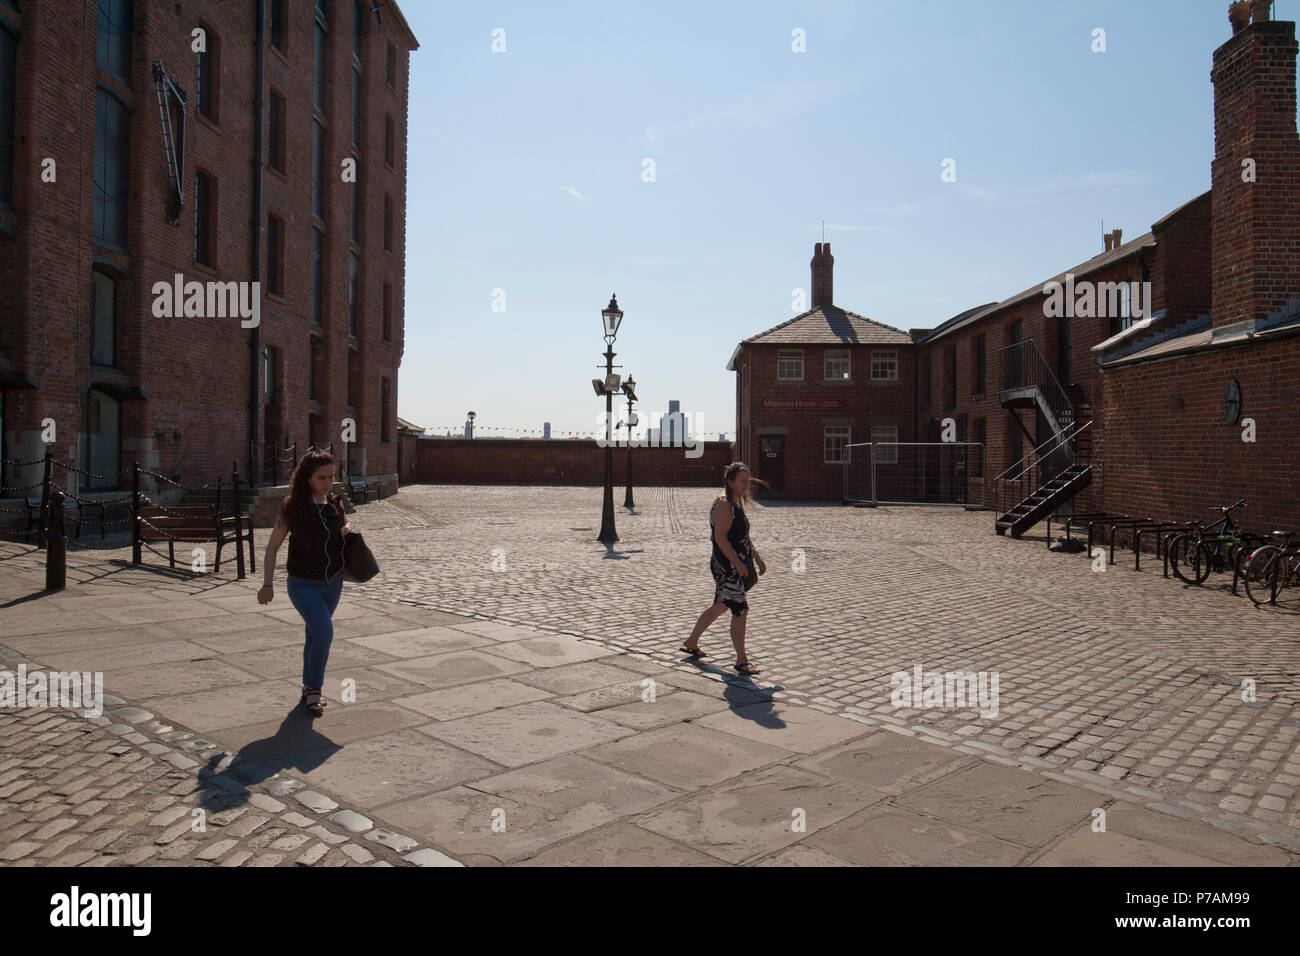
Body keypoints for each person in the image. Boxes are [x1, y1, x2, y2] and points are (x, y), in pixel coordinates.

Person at [257, 450, 351, 716]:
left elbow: (345, 526)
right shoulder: (293, 507)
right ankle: (315, 689)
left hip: (332, 583)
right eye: (321, 477)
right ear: (307, 478)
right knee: (323, 633)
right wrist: (267, 585)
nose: (327, 482)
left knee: (315, 635)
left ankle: (309, 687)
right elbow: (272, 547)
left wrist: (346, 529)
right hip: (302, 583)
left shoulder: (334, 503)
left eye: (331, 476)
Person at [682, 461, 767, 675]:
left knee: (720, 606)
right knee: (740, 610)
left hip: (734, 564)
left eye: (748, 481)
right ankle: (741, 660)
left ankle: (691, 641)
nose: (746, 484)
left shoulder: (735, 502)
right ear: (730, 481)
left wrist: (756, 557)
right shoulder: (723, 505)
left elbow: (741, 536)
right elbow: (720, 538)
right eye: (742, 481)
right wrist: (738, 563)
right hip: (727, 567)